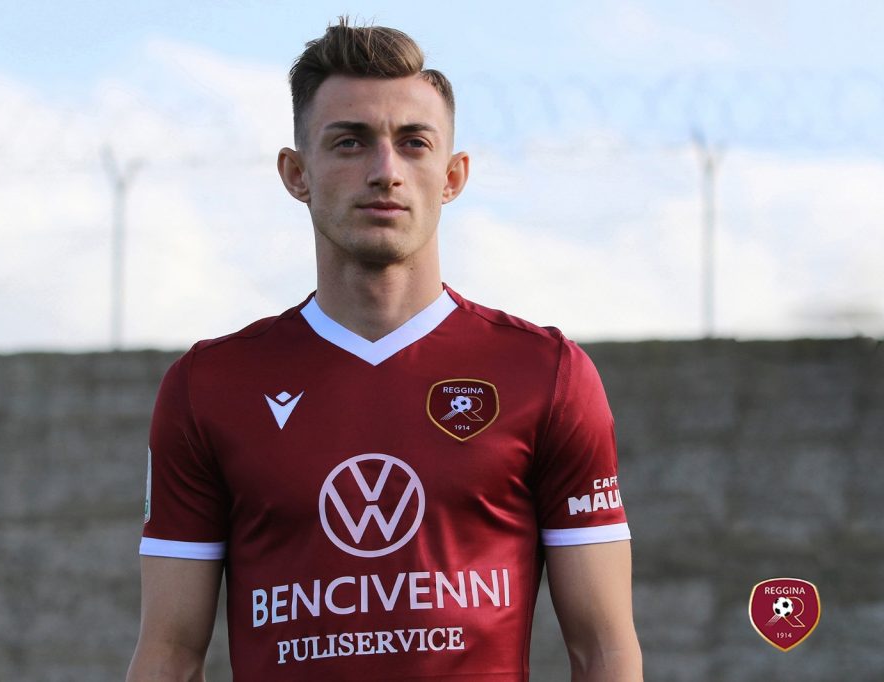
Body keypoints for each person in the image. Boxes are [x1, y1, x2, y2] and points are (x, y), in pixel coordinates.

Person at [127, 18, 642, 682]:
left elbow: (603, 651)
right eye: (350, 142)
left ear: (452, 175)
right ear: (296, 173)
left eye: (413, 143)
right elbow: (168, 655)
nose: (385, 172)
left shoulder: (546, 374)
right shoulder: (210, 386)